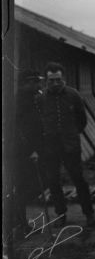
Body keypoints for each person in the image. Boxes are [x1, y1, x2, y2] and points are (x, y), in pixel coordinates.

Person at [34, 62, 95, 226]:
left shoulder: (73, 95)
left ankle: (89, 213)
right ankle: (61, 215)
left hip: (71, 146)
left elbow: (82, 120)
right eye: (51, 80)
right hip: (50, 148)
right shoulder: (40, 98)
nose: (55, 83)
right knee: (53, 181)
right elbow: (38, 123)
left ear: (64, 79)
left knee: (78, 179)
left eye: (58, 80)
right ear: (46, 80)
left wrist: (72, 134)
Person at [14, 70, 44, 234]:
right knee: (23, 187)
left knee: (27, 187)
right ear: (28, 83)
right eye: (36, 82)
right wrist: (30, 150)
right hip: (23, 152)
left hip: (31, 149)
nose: (39, 85)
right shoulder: (20, 100)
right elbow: (18, 129)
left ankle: (19, 222)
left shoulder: (31, 97)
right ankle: (20, 224)